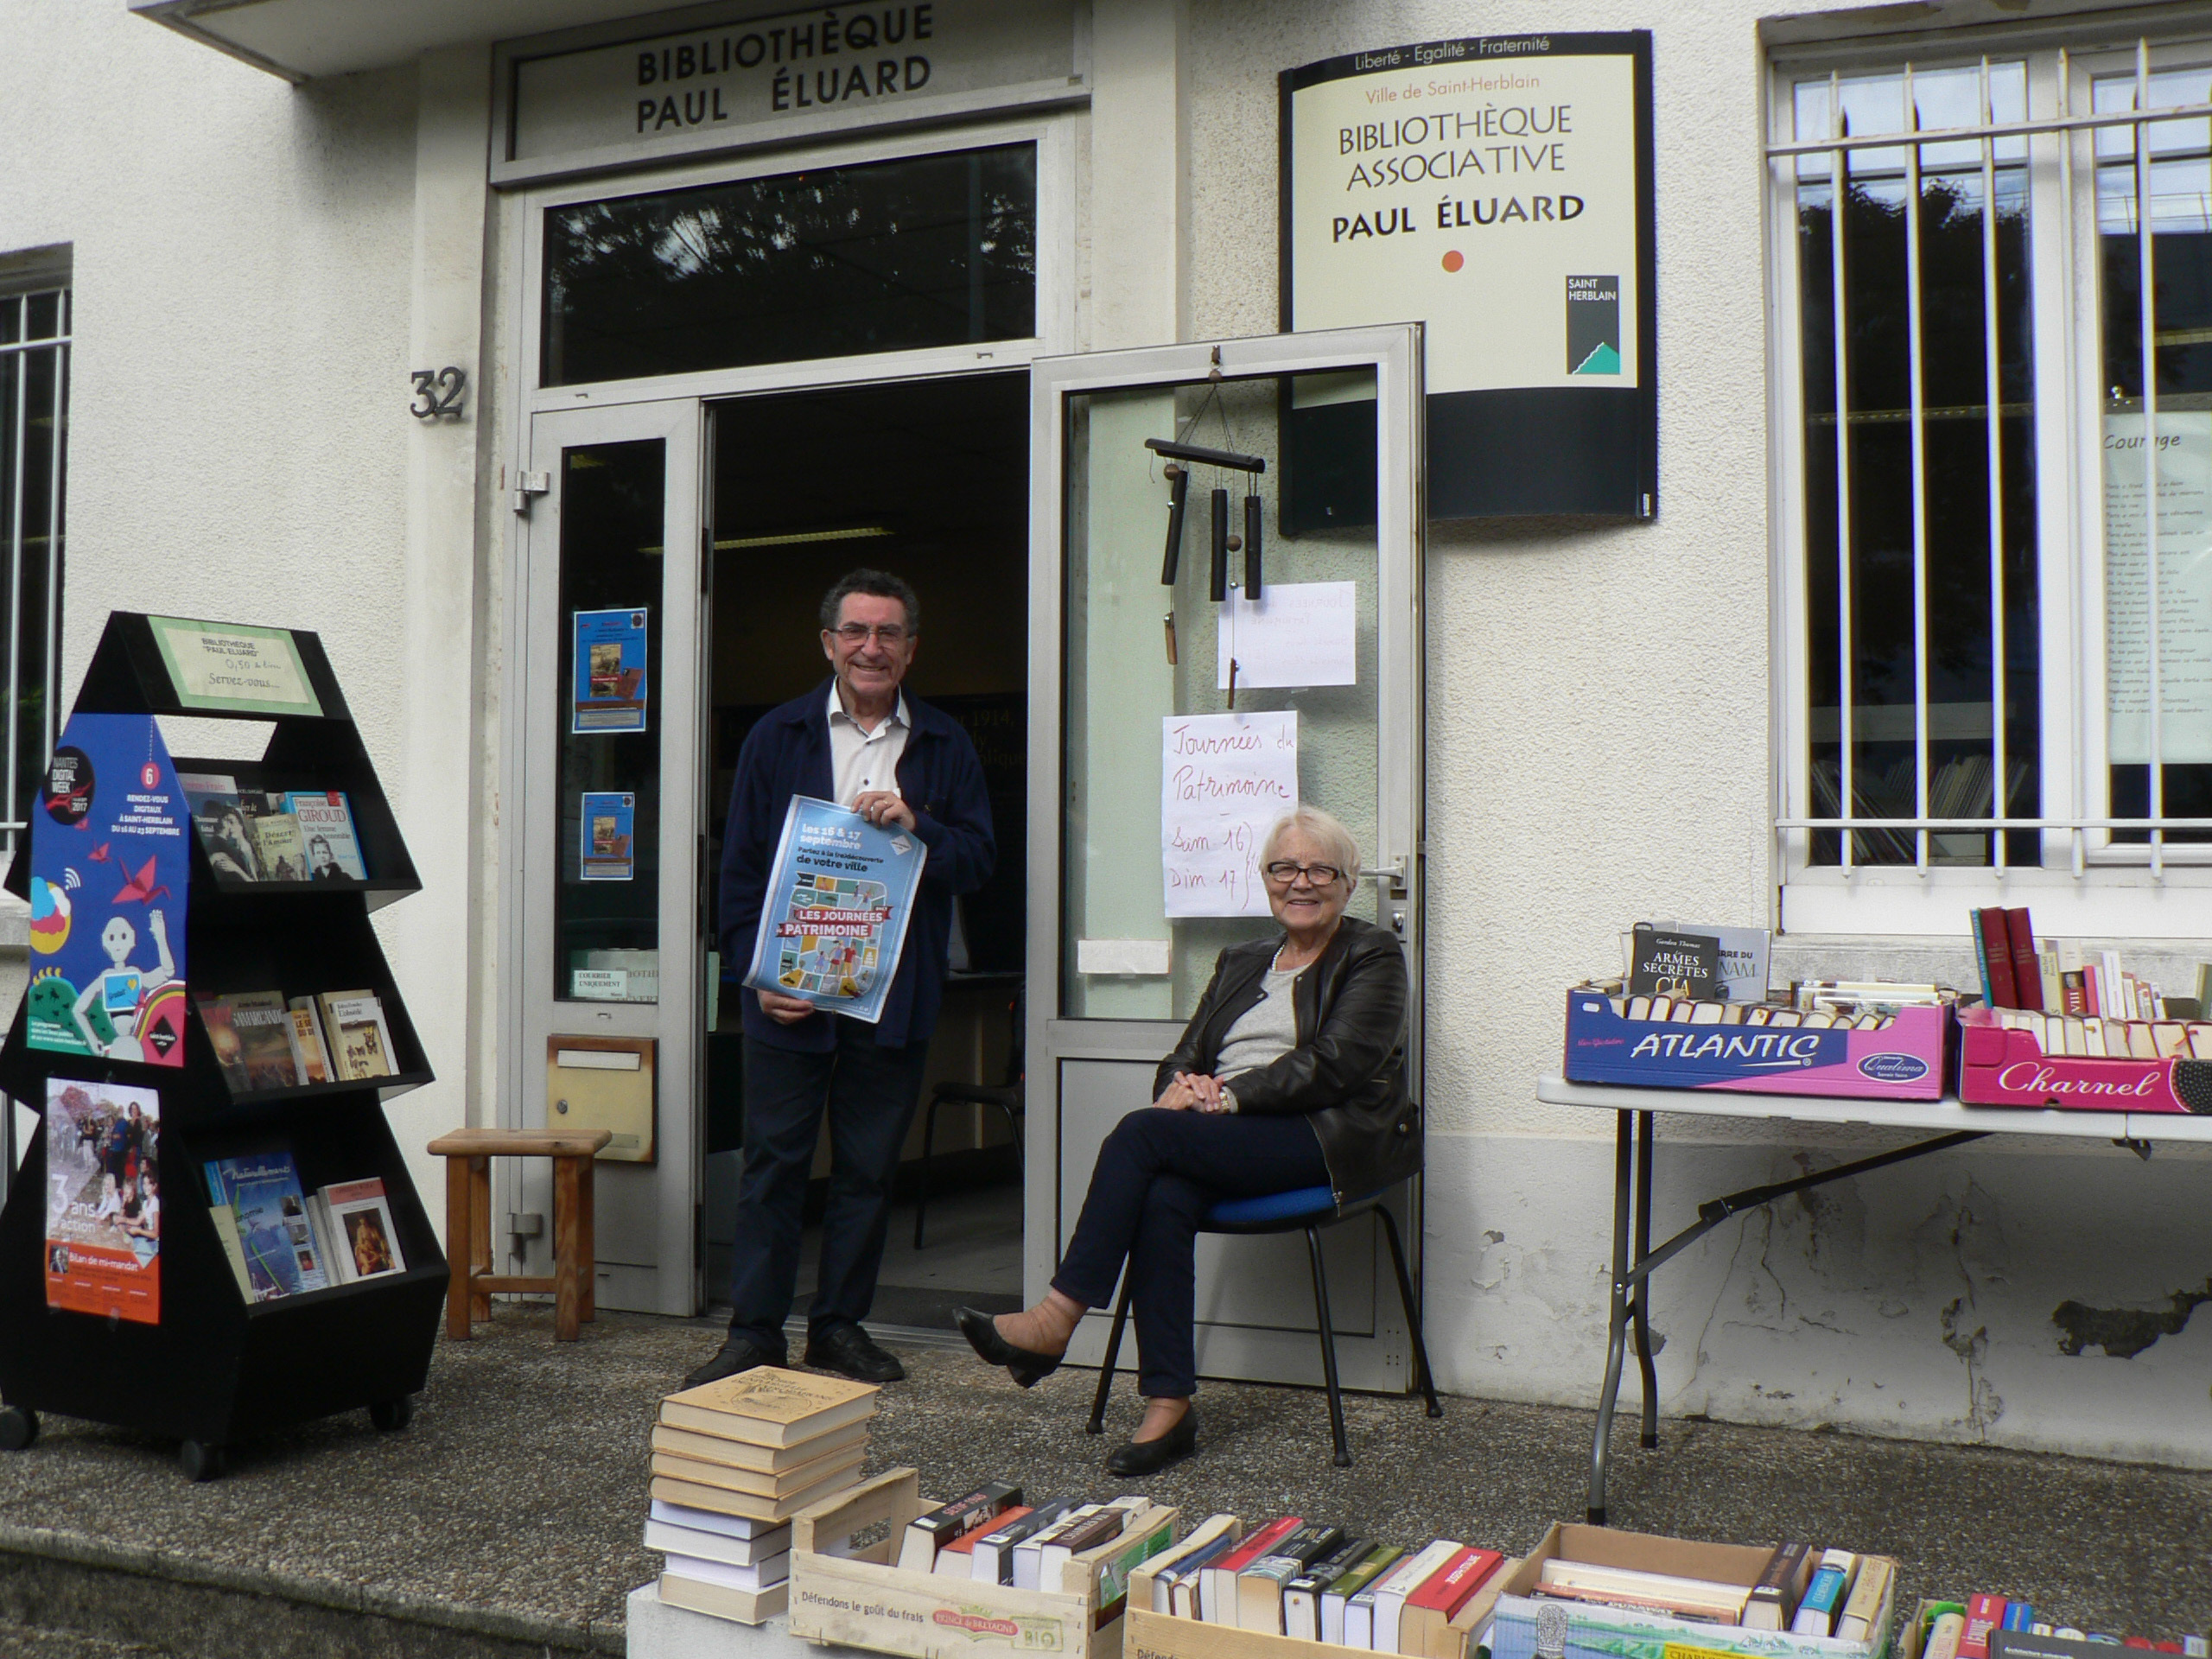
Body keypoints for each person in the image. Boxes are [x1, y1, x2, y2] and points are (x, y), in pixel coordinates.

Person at [953, 806, 1417, 1473]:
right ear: (1265, 881)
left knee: (1142, 1140)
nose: (1301, 882)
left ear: (1346, 885)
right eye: (1284, 867)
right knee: (1165, 1191)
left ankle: (1057, 1317)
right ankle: (1169, 1407)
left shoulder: (1371, 953)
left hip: (1323, 1136)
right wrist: (1181, 1089)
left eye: (1321, 869)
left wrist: (1226, 1096)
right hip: (1229, 1131)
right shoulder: (1242, 959)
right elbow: (1186, 1055)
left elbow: (1338, 1063)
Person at [685, 569, 995, 1389]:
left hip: (888, 1001)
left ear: (911, 649)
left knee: (865, 1171)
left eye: (888, 633)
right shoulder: (777, 736)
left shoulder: (943, 745)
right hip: (786, 998)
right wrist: (756, 974)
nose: (871, 647)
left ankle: (839, 1328)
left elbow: (979, 861)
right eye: (855, 632)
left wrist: (919, 826)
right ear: (829, 644)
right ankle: (754, 1332)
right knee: (774, 1166)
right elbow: (741, 870)